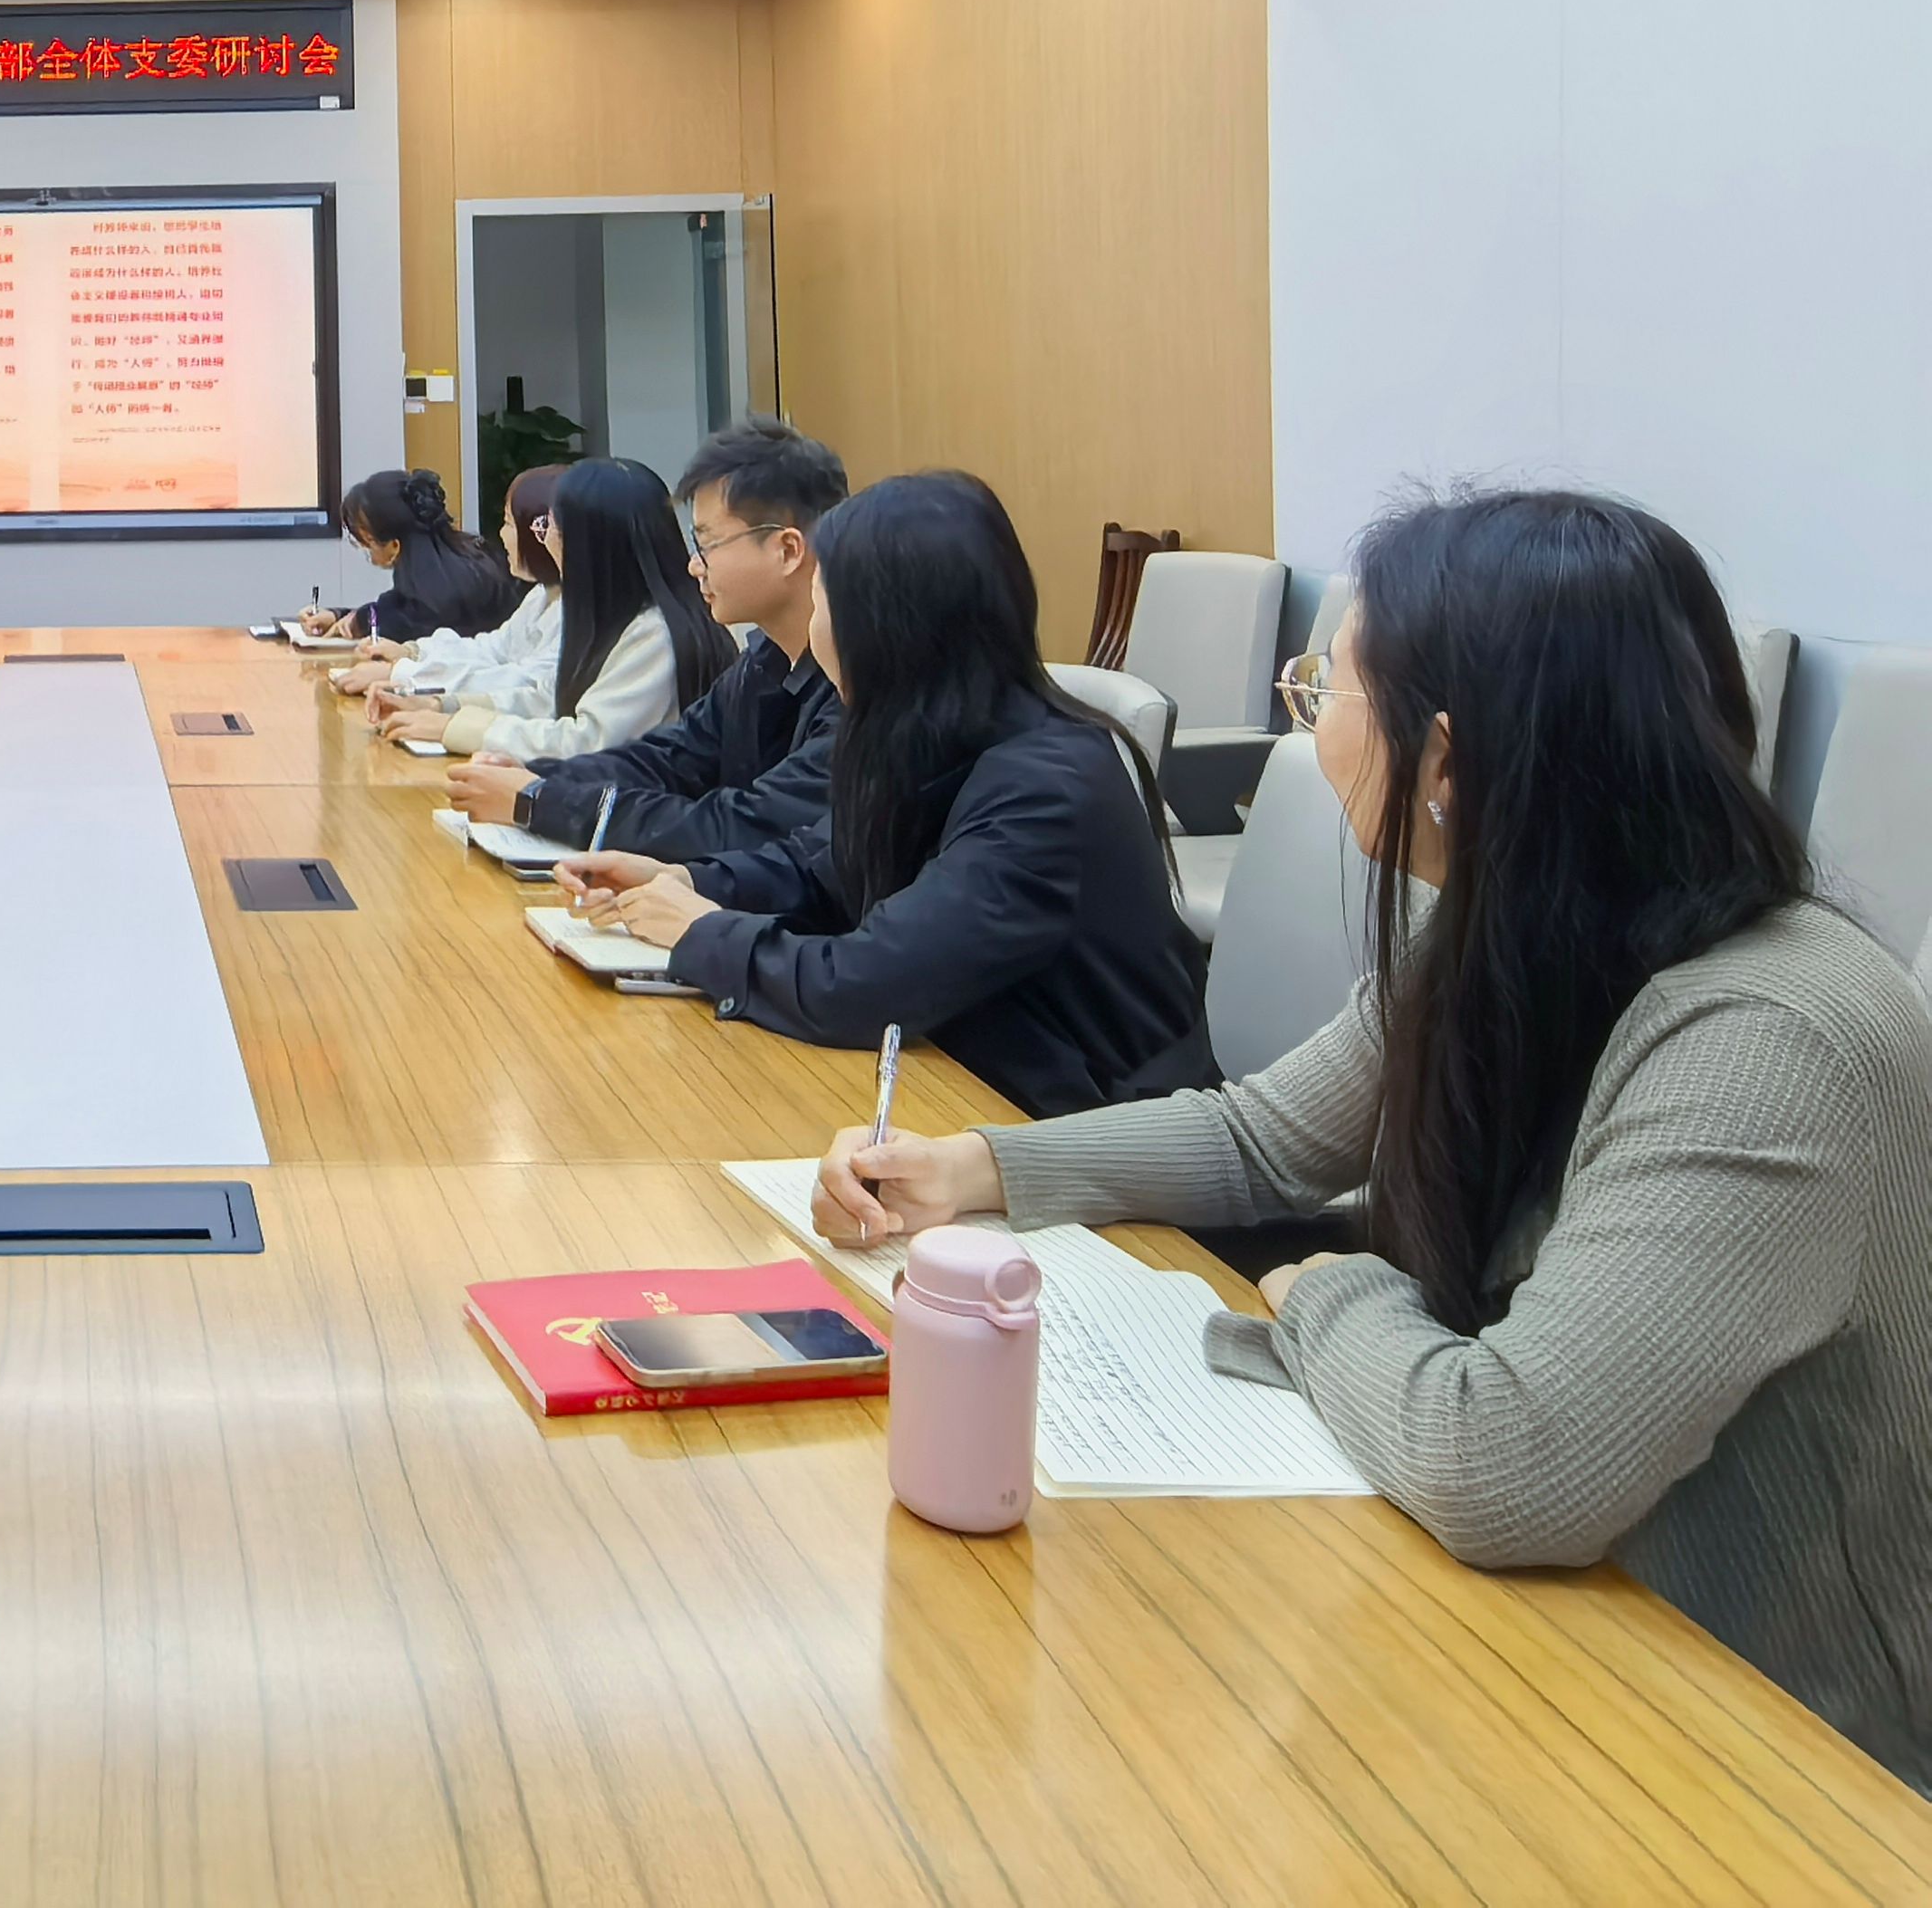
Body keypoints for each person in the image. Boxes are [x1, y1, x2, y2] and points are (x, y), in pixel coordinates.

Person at [809, 491, 1932, 1791]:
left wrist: (1330, 1295)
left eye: (1323, 687)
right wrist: (978, 1169)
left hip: (1769, 1746)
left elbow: (1508, 1459)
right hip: (1548, 1641)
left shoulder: (1768, 1037)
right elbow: (1263, 1140)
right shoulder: (1521, 924)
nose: (1311, 722)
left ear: (1443, 760)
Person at [560, 469, 1210, 1118]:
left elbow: (867, 986)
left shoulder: (1047, 786)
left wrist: (702, 933)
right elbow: (820, 870)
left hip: (1091, 1128)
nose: (814, 624)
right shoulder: (927, 734)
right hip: (968, 1086)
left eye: (821, 601)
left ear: (884, 626)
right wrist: (686, 881)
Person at [448, 416, 846, 858]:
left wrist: (540, 802)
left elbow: (746, 824)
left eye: (708, 545)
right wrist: (541, 778)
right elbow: (671, 757)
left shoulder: (853, 688)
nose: (695, 565)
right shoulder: (765, 661)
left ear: (787, 550)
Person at [373, 458, 732, 762]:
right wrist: (444, 706)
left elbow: (586, 741)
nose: (543, 540)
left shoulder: (654, 634)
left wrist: (455, 727)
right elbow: (550, 697)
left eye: (551, 527)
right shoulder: (614, 615)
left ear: (593, 545)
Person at [332, 465, 566, 712]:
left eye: (509, 523)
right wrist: (413, 653)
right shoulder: (542, 595)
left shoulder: (577, 612)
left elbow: (523, 683)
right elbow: (491, 648)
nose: (501, 534)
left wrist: (401, 673)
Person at [294, 468, 522, 645]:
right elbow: (393, 609)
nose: (365, 550)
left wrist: (360, 622)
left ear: (394, 545)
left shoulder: (438, 600)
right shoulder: (461, 563)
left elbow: (403, 622)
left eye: (367, 542)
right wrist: (338, 616)